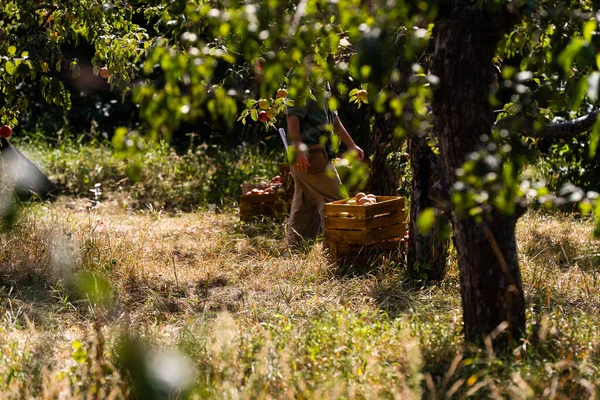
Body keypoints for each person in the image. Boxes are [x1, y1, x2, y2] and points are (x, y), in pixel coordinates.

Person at [285, 87, 364, 250]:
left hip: (319, 153)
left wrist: (351, 144)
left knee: (305, 205)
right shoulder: (302, 76)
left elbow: (334, 119)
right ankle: (338, 252)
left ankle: (295, 250)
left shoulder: (323, 80)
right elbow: (292, 116)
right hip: (310, 154)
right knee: (336, 202)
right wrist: (298, 147)